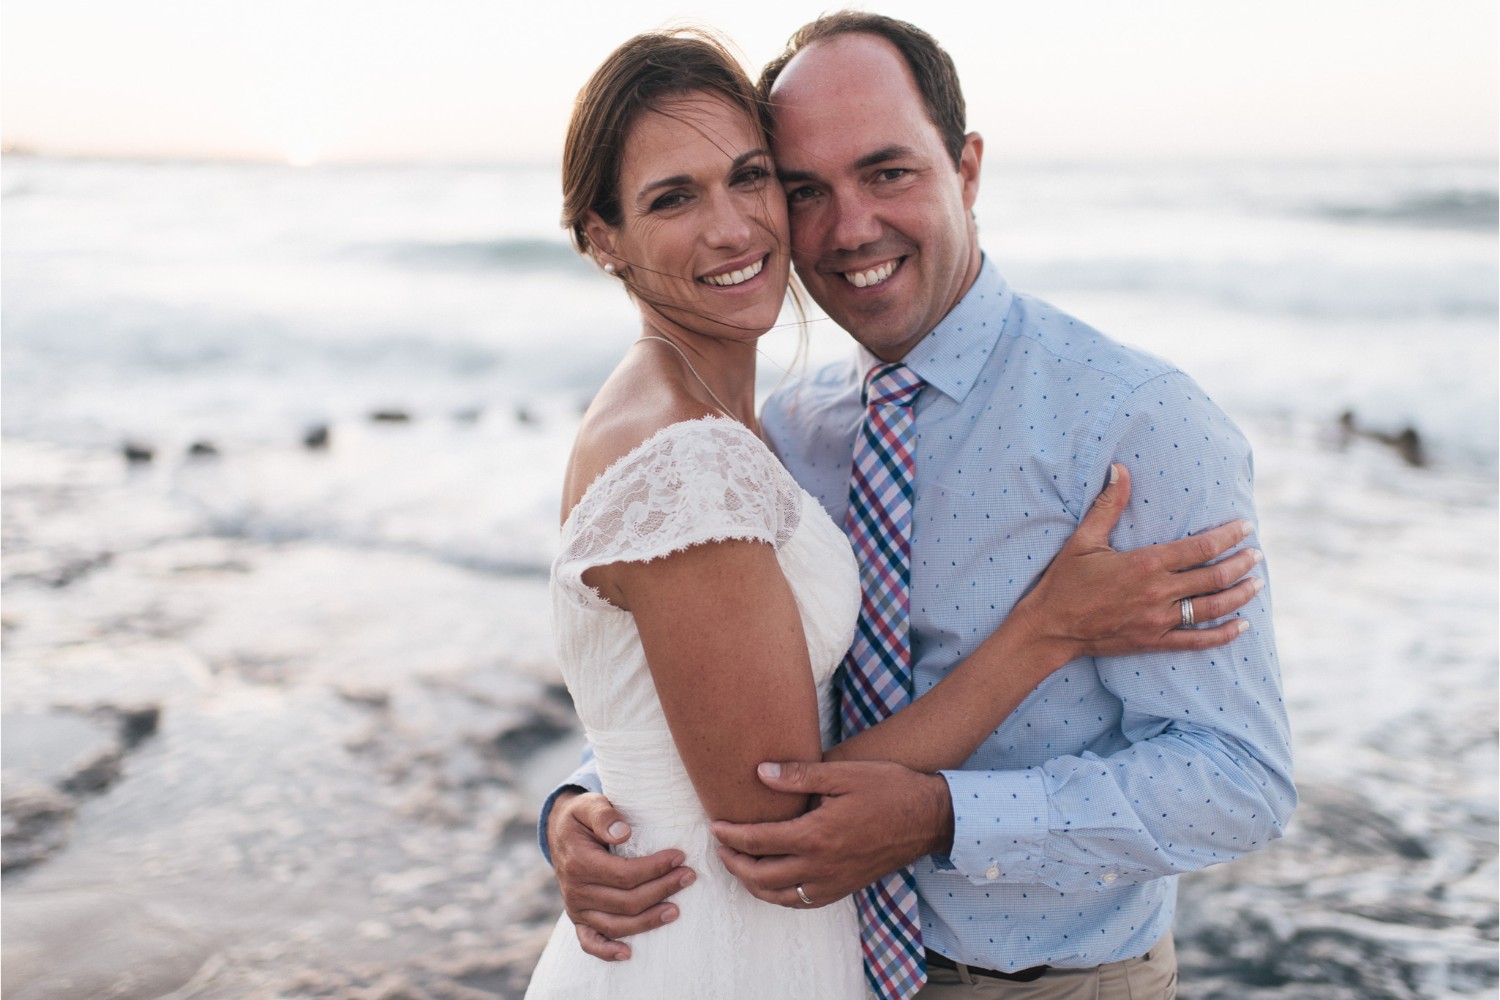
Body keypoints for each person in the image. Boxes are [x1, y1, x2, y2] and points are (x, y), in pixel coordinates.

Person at [529, 23, 1277, 1000]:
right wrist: (576, 804)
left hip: (1040, 982)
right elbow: (694, 700)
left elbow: (1237, 782)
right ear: (607, 236)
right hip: (788, 957)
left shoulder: (1134, 423)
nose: (848, 228)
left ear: (965, 169)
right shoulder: (780, 435)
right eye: (804, 188)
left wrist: (948, 816)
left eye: (887, 173)